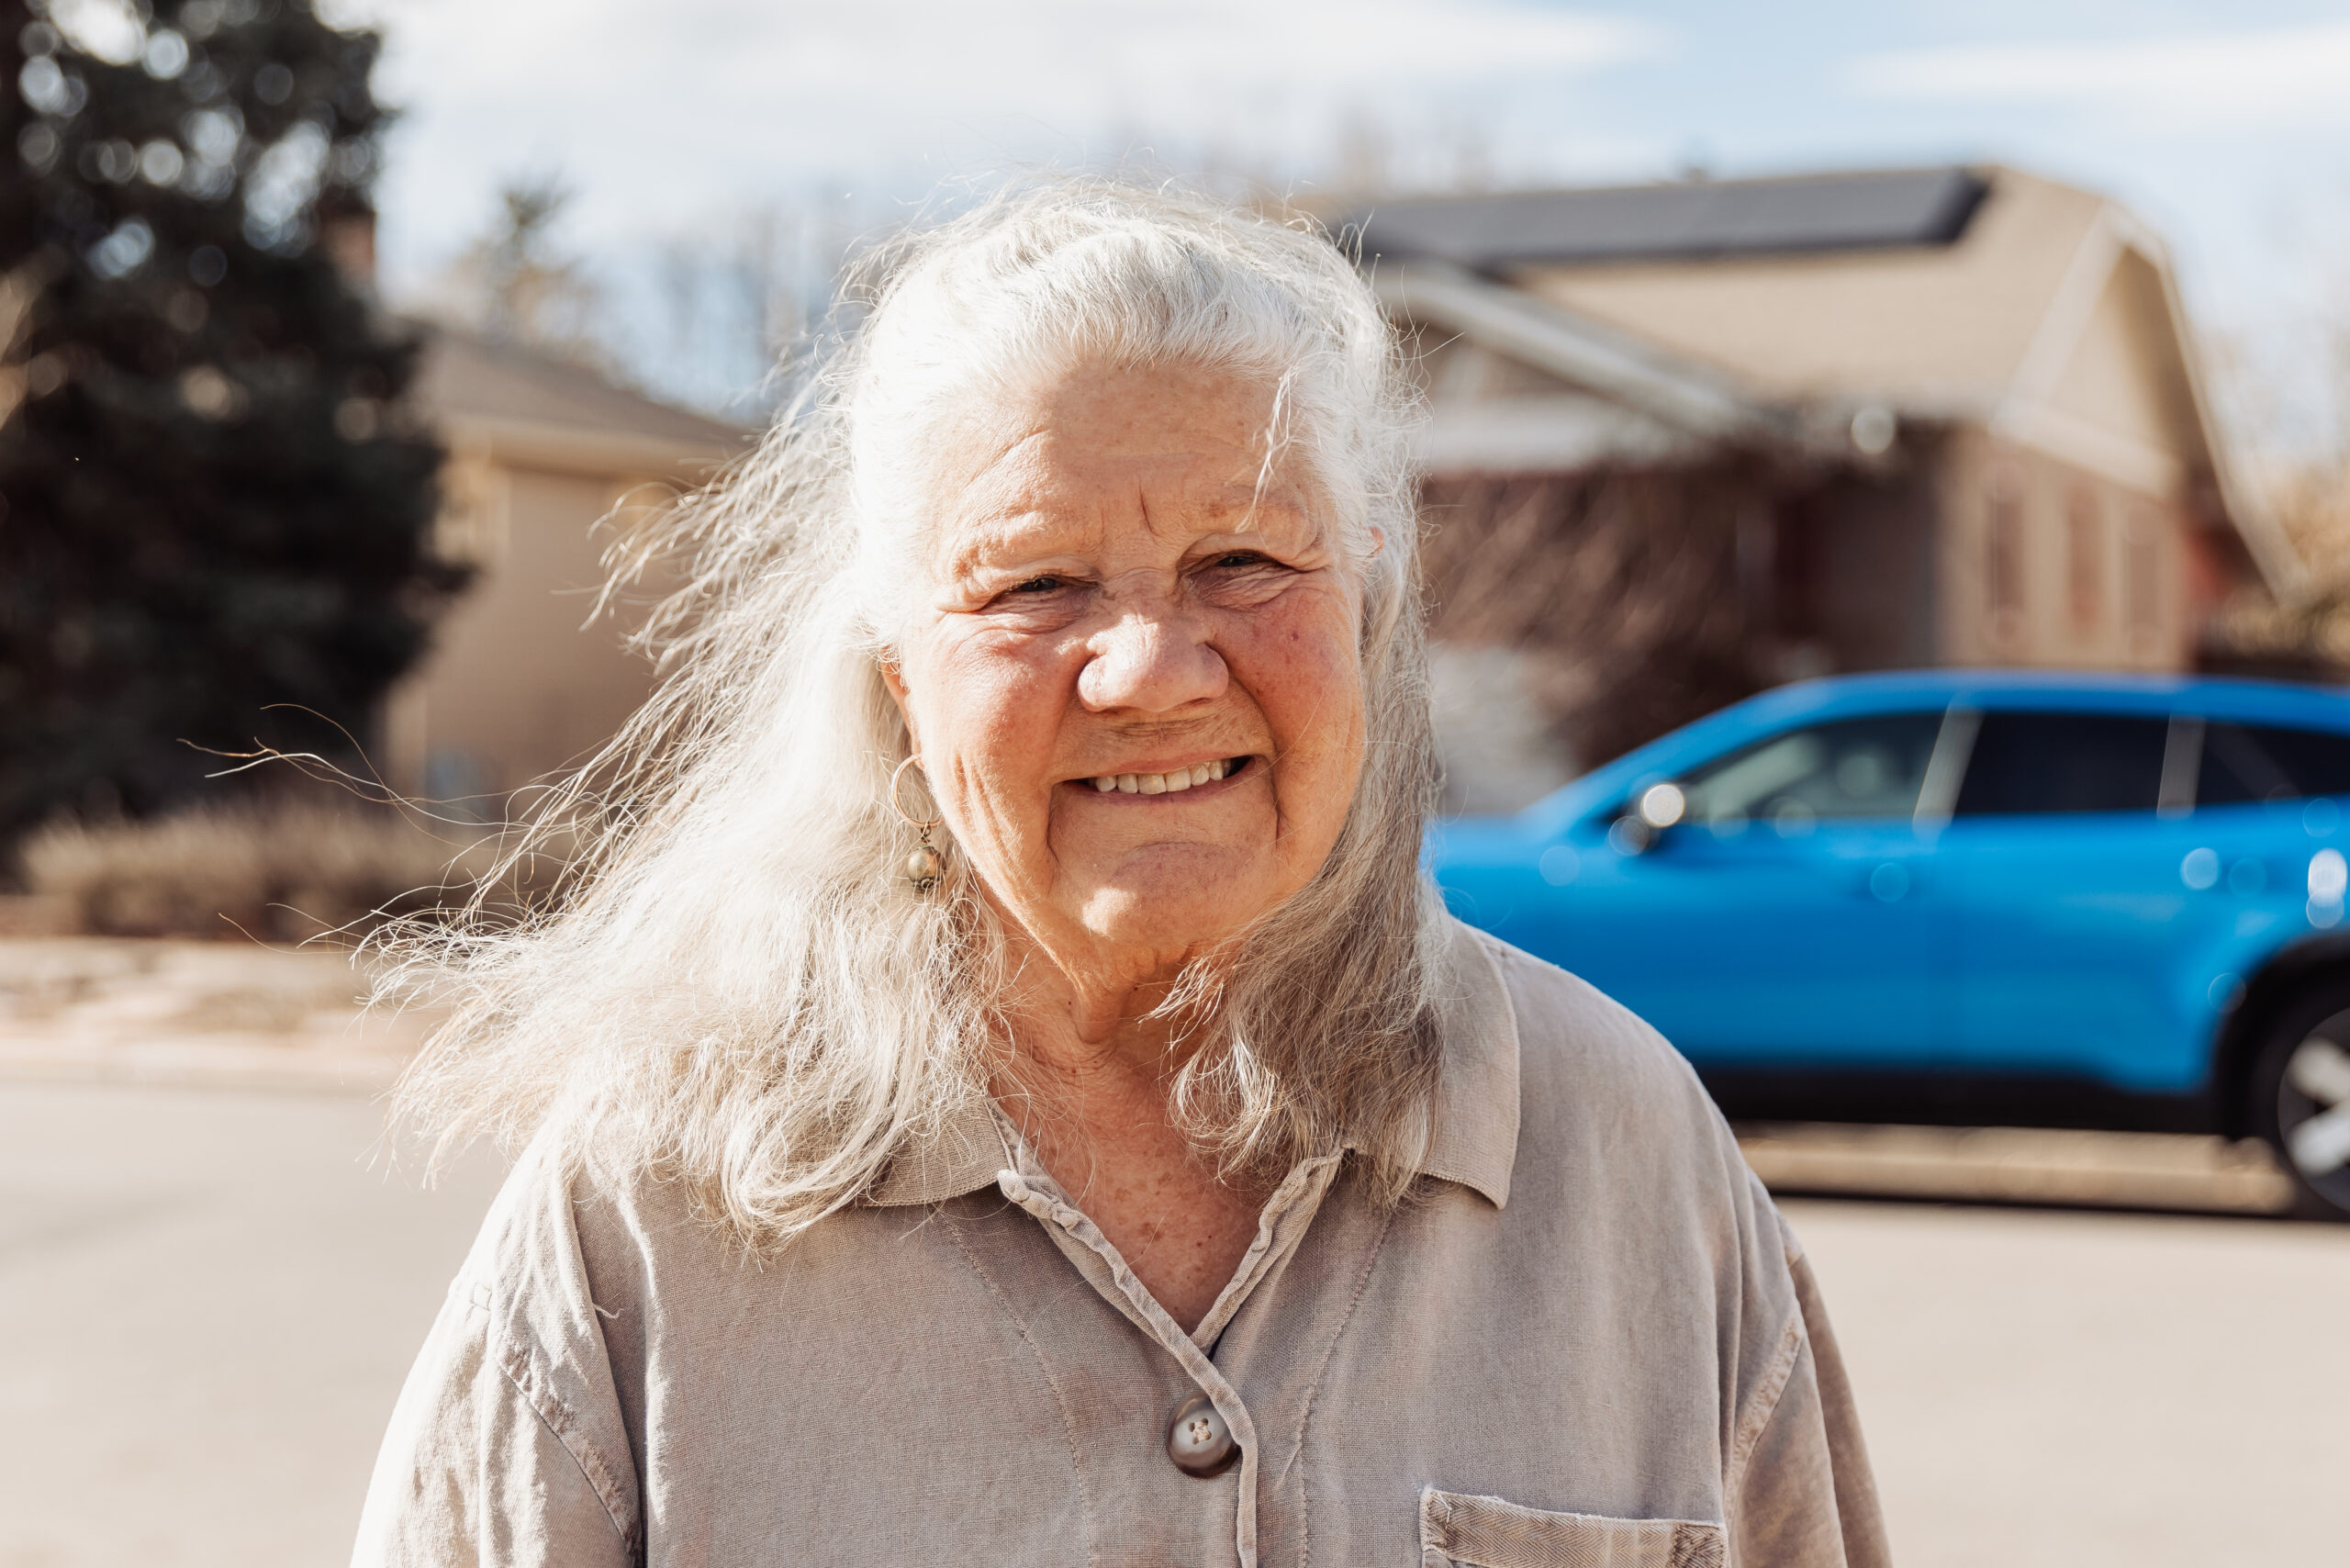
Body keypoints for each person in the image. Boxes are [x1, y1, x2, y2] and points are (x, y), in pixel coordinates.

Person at [353, 181, 1888, 1568]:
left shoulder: (1632, 1156)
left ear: (1367, 611)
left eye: (1244, 562)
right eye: (1036, 583)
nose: (1152, 669)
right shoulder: (649, 1201)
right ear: (899, 678)